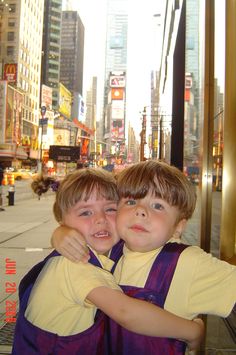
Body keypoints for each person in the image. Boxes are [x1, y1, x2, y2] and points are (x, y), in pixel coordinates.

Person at [12, 168, 204, 355]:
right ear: (62, 220)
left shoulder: (104, 250)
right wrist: (191, 331)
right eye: (85, 213)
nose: (101, 219)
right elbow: (125, 312)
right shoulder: (74, 264)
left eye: (111, 209)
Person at [52, 160, 236, 354]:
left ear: (179, 226)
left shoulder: (187, 262)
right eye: (130, 202)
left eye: (157, 205)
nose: (140, 211)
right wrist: (61, 232)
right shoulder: (112, 252)